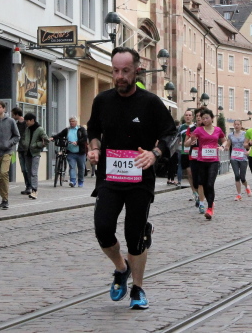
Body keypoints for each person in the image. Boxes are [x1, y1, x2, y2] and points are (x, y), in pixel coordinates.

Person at [86, 47, 176, 310]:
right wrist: (94, 148)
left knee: (134, 235)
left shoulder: (150, 103)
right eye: (115, 71)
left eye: (125, 71)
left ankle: (137, 288)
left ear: (137, 71)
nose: (119, 76)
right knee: (103, 229)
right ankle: (121, 268)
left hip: (140, 179)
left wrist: (155, 153)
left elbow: (171, 134)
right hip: (110, 177)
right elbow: (93, 129)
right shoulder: (102, 100)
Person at [184, 108, 226, 219]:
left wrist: (222, 146)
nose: (205, 120)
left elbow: (224, 140)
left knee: (210, 184)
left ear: (212, 118)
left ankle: (210, 208)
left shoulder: (218, 130)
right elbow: (187, 144)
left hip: (214, 161)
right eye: (203, 118)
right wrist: (191, 140)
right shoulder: (198, 130)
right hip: (201, 161)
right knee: (203, 184)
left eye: (207, 118)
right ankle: (210, 203)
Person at [51, 117, 88, 188]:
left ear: (76, 122)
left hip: (81, 153)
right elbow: (60, 135)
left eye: (73, 121)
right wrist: (53, 137)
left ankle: (80, 181)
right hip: (71, 152)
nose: (71, 123)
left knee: (81, 168)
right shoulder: (67, 130)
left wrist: (77, 142)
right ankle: (72, 181)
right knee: (72, 167)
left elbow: (85, 138)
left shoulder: (81, 129)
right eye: (70, 121)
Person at [22, 113, 48, 198]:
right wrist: (24, 144)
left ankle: (34, 190)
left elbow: (46, 141)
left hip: (35, 153)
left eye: (27, 121)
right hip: (27, 153)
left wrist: (36, 145)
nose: (26, 123)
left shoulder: (40, 129)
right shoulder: (27, 129)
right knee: (28, 172)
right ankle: (31, 188)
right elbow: (23, 138)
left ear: (32, 120)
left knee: (34, 172)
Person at [228, 120, 250, 200]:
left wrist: (249, 151)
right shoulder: (230, 135)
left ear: (241, 125)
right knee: (237, 176)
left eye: (238, 124)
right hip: (234, 157)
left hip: (243, 157)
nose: (236, 126)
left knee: (242, 177)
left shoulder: (245, 134)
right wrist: (224, 147)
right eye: (235, 124)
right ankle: (239, 194)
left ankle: (246, 186)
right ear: (233, 125)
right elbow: (228, 145)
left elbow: (249, 145)